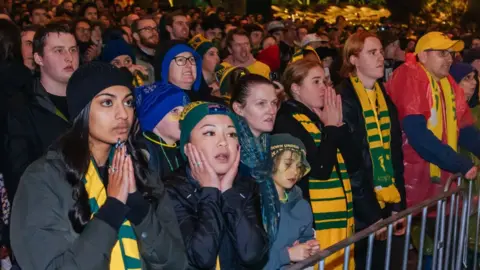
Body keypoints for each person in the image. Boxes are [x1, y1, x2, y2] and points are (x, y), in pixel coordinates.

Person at [10, 62, 189, 270]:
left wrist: (139, 208)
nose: (123, 114)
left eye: (129, 102)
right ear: (82, 111)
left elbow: (176, 263)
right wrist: (112, 210)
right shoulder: (43, 178)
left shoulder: (141, 174)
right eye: (107, 103)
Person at [274, 59, 360, 270]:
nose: (324, 87)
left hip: (341, 218)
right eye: (316, 82)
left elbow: (354, 163)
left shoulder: (319, 117)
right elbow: (320, 170)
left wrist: (337, 126)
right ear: (296, 88)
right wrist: (330, 129)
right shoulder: (287, 120)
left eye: (325, 81)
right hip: (315, 224)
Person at [165, 101, 269, 269]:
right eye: (210, 133)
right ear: (187, 147)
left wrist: (228, 191)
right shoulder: (171, 190)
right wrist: (210, 191)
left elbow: (252, 254)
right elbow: (202, 258)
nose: (223, 142)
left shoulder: (245, 186)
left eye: (231, 134)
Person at [387, 32, 480, 212]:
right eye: (442, 53)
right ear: (423, 55)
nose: (449, 59)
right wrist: (458, 162)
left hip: (436, 184)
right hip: (410, 182)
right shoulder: (410, 77)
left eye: (450, 53)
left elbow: (464, 128)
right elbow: (417, 134)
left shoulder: (447, 82)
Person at [338, 32, 406, 270]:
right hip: (359, 211)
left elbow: (394, 153)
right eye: (372, 52)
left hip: (386, 201)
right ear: (353, 59)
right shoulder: (343, 97)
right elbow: (351, 164)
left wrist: (398, 207)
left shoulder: (383, 97)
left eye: (380, 52)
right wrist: (372, 216)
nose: (381, 58)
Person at [4, 23, 78, 203]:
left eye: (73, 50)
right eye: (59, 51)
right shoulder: (21, 106)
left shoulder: (91, 100)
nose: (69, 58)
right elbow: (19, 175)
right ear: (39, 58)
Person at [265, 133, 320, 269]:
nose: (295, 171)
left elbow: (305, 236)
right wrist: (287, 255)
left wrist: (309, 246)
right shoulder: (253, 206)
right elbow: (249, 260)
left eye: (298, 166)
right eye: (288, 164)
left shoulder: (302, 206)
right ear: (270, 162)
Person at [135, 82, 189, 179]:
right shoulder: (143, 155)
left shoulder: (183, 150)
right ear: (154, 119)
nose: (183, 117)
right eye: (175, 111)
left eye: (185, 111)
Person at [189, 34, 220, 98]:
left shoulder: (221, 78)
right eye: (211, 54)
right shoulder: (192, 86)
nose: (217, 58)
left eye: (217, 54)